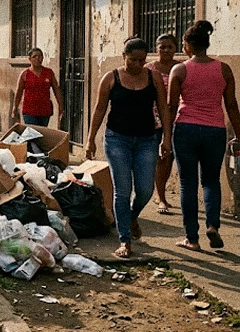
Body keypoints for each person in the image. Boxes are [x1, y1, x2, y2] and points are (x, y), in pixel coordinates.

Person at [85, 37, 171, 259]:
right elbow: (99, 109)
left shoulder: (153, 77)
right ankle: (124, 240)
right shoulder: (110, 78)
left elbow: (163, 107)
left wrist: (167, 138)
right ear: (124, 56)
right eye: (133, 60)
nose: (137, 64)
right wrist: (90, 138)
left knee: (145, 190)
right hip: (117, 140)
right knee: (122, 190)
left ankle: (132, 217)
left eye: (142, 60)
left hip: (147, 140)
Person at [168, 21, 240, 251]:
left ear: (188, 45)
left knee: (188, 184)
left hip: (186, 129)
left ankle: (192, 238)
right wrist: (239, 134)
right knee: (211, 181)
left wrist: (165, 137)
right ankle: (213, 226)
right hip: (215, 131)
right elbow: (231, 105)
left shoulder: (179, 70)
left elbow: (170, 107)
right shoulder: (224, 69)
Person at [146, 34, 181, 214]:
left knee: (168, 157)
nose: (166, 50)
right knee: (158, 157)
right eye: (162, 47)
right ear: (156, 48)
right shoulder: (149, 69)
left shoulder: (181, 67)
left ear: (176, 48)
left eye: (169, 47)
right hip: (153, 119)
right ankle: (159, 195)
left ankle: (161, 194)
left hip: (176, 118)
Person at [11, 48, 64, 127]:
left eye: (40, 56)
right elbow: (19, 92)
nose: (37, 58)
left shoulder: (49, 73)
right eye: (34, 56)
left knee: (42, 133)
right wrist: (15, 108)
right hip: (29, 110)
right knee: (32, 133)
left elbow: (56, 90)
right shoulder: (25, 74)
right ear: (29, 59)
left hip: (44, 110)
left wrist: (61, 106)